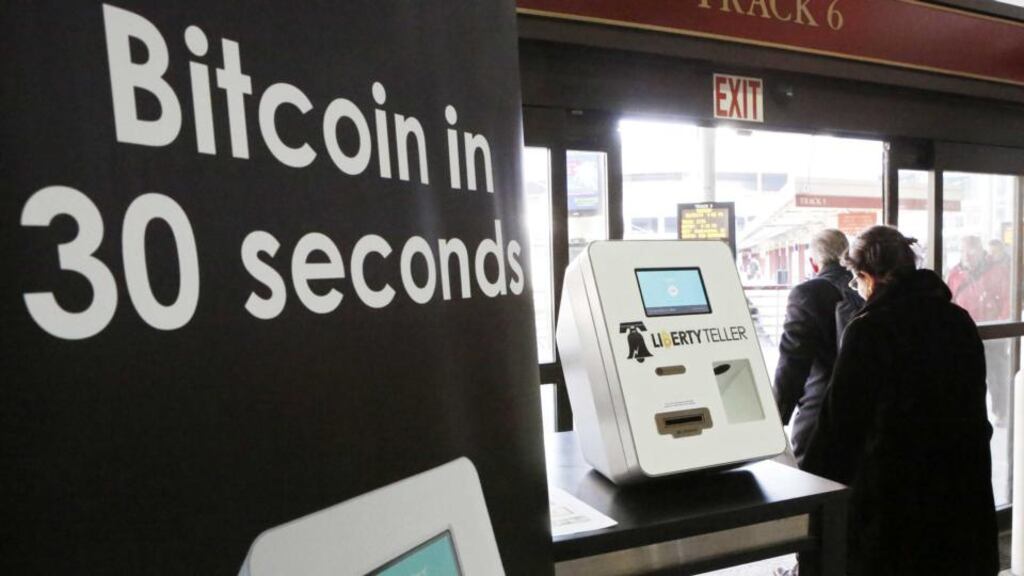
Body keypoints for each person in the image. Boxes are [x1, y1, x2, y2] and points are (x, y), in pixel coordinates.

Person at [803, 226, 998, 576]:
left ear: (867, 277)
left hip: (896, 500)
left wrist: (813, 497)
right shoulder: (957, 320)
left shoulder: (869, 330)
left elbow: (840, 428)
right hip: (960, 491)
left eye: (856, 281)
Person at [773, 229, 864, 467]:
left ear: (814, 262)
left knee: (815, 489)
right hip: (864, 413)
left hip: (820, 415)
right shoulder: (865, 286)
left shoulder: (808, 293)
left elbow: (793, 361)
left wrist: (775, 417)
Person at [947, 236, 1011, 425]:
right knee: (967, 376)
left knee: (996, 375)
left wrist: (1001, 324)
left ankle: (1001, 411)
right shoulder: (955, 273)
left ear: (981, 250)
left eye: (972, 250)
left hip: (993, 334)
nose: (967, 254)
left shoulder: (997, 271)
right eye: (963, 250)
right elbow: (948, 300)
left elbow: (1008, 298)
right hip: (965, 333)